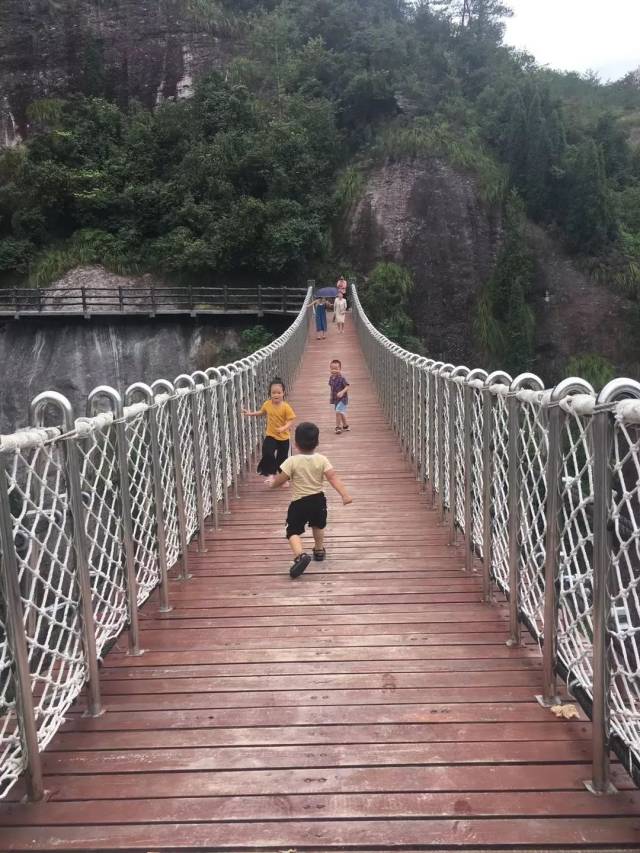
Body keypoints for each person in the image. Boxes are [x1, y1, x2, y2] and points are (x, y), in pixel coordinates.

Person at [272, 421, 352, 578]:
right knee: (318, 525)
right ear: (317, 442)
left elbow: (282, 479)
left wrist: (273, 484)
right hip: (318, 500)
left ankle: (300, 555)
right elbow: (333, 477)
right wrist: (344, 494)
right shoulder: (322, 459)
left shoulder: (292, 461)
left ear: (295, 444)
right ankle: (319, 549)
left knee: (292, 530)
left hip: (299, 502)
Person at [242, 378, 295, 486]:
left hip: (284, 437)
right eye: (273, 392)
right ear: (270, 393)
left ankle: (283, 479)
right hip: (271, 435)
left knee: (282, 459)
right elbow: (262, 412)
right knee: (267, 452)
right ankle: (271, 474)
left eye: (279, 392)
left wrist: (284, 428)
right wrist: (250, 414)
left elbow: (291, 420)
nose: (276, 395)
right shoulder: (267, 404)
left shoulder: (286, 407)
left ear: (283, 393)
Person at [329, 358, 350, 434]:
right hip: (335, 399)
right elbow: (331, 387)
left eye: (336, 369)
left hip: (343, 399)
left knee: (338, 412)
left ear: (340, 369)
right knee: (341, 412)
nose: (334, 370)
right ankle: (345, 425)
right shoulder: (331, 378)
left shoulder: (342, 378)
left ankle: (338, 427)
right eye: (332, 369)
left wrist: (342, 392)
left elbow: (347, 386)